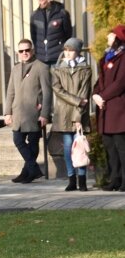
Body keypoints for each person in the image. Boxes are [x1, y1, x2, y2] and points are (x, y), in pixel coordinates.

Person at [4, 39, 52, 184]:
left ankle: (27, 174)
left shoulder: (41, 67)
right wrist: (7, 112)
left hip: (33, 113)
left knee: (32, 144)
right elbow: (10, 91)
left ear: (32, 50)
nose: (24, 53)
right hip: (18, 112)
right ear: (18, 53)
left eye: (27, 50)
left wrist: (44, 113)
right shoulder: (16, 68)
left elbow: (47, 92)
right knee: (17, 140)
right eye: (21, 51)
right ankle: (34, 169)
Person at [52, 37, 92, 192]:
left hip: (79, 115)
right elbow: (57, 90)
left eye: (71, 50)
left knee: (80, 147)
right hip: (63, 113)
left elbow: (84, 93)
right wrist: (77, 101)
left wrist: (78, 117)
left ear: (78, 51)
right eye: (66, 50)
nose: (68, 53)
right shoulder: (58, 69)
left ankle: (82, 180)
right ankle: (71, 179)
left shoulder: (86, 69)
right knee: (68, 148)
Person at [93, 25, 125, 192]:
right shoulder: (107, 57)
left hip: (118, 109)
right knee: (110, 147)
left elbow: (120, 83)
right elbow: (100, 81)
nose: (108, 38)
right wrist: (95, 94)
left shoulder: (123, 57)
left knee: (121, 147)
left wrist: (103, 96)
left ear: (118, 38)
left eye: (111, 36)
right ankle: (114, 179)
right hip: (105, 110)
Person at [30, 0, 73, 66]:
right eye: (38, 1)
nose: (40, 3)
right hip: (41, 58)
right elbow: (33, 35)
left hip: (57, 57)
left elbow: (68, 33)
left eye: (42, 0)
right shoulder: (35, 16)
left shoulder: (62, 14)